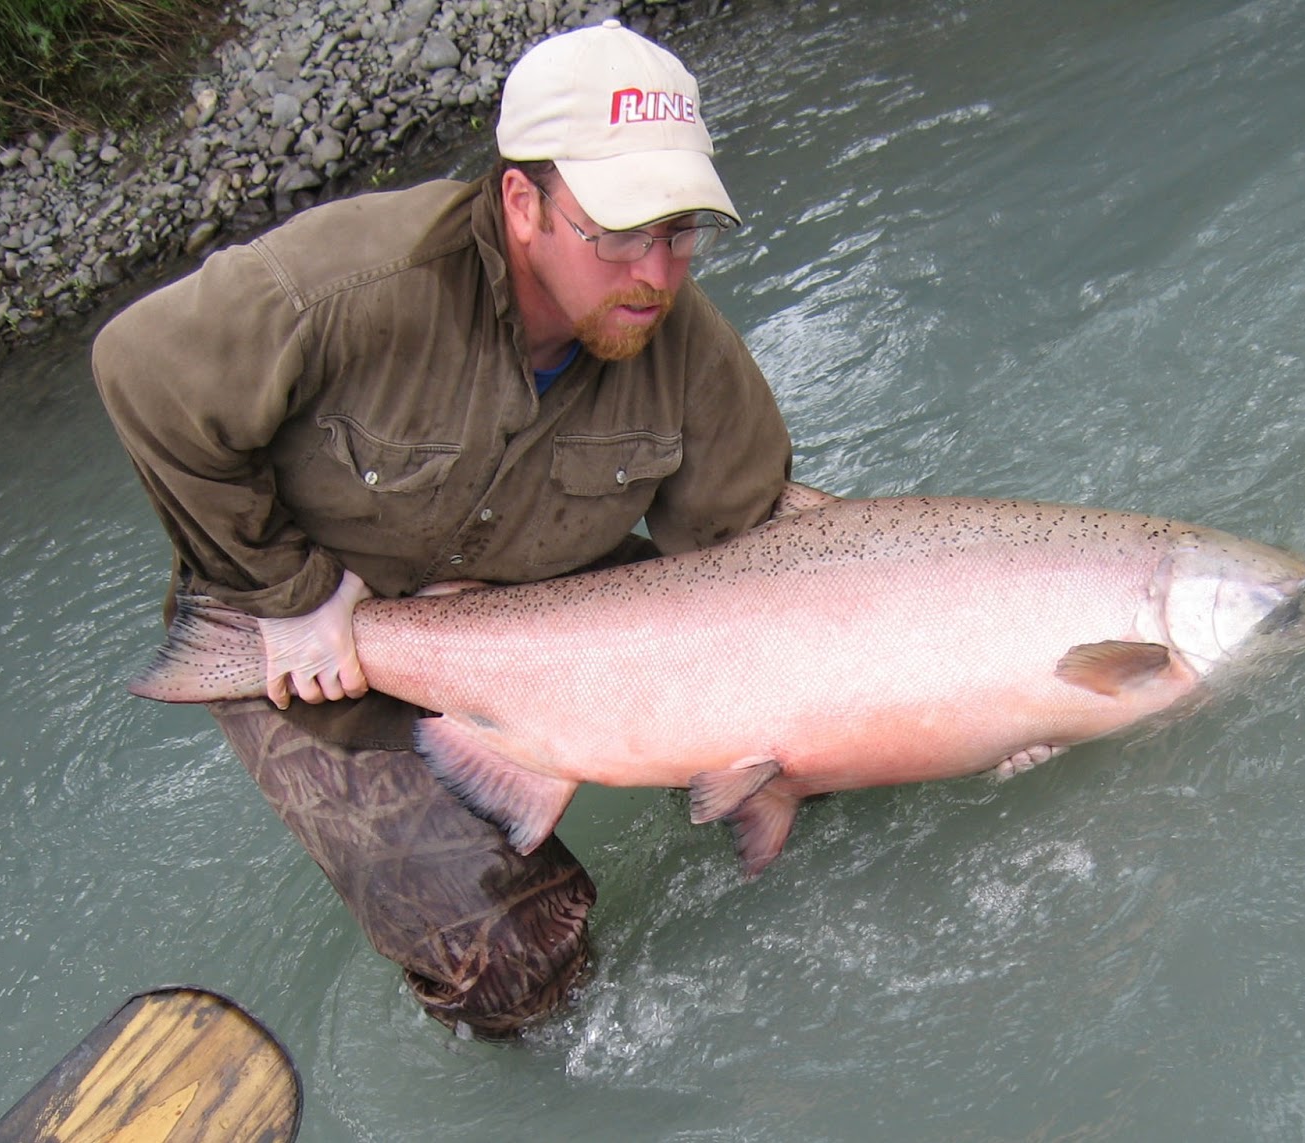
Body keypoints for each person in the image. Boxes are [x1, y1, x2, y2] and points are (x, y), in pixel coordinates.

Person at [92, 18, 792, 1039]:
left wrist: (965, 690)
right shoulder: (348, 283)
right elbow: (137, 370)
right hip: (311, 647)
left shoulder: (686, 346)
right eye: (622, 231)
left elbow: (757, 557)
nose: (656, 272)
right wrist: (290, 594)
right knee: (520, 967)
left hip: (551, 618)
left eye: (682, 230)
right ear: (523, 202)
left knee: (812, 764)